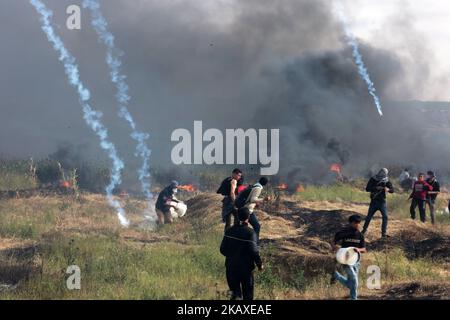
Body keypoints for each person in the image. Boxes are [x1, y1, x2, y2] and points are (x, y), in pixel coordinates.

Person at [220, 207, 263, 300]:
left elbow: (222, 249)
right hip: (246, 270)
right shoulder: (251, 233)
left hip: (231, 268)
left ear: (237, 216)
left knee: (235, 296)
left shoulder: (229, 231)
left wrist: (232, 256)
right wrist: (259, 264)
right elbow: (254, 251)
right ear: (248, 217)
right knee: (248, 296)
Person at [331, 214, 366, 300]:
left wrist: (358, 249)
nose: (358, 225)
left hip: (356, 260)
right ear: (351, 223)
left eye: (359, 223)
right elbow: (333, 242)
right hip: (346, 259)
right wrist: (335, 247)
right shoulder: (343, 232)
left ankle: (336, 275)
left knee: (352, 283)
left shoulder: (360, 235)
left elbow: (364, 249)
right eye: (355, 223)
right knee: (354, 279)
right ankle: (354, 298)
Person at [362, 168, 394, 238]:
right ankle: (364, 231)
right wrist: (376, 188)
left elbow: (392, 190)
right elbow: (367, 188)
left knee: (385, 217)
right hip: (374, 201)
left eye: (384, 173)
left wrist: (388, 189)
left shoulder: (386, 180)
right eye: (381, 172)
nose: (382, 174)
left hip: (382, 202)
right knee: (369, 217)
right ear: (379, 172)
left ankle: (383, 234)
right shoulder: (373, 179)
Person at [242, 177, 270, 241]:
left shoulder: (255, 185)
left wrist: (256, 203)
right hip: (248, 210)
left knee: (245, 226)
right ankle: (255, 242)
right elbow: (253, 199)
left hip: (245, 208)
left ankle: (248, 241)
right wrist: (264, 199)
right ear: (265, 183)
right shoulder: (258, 188)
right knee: (257, 226)